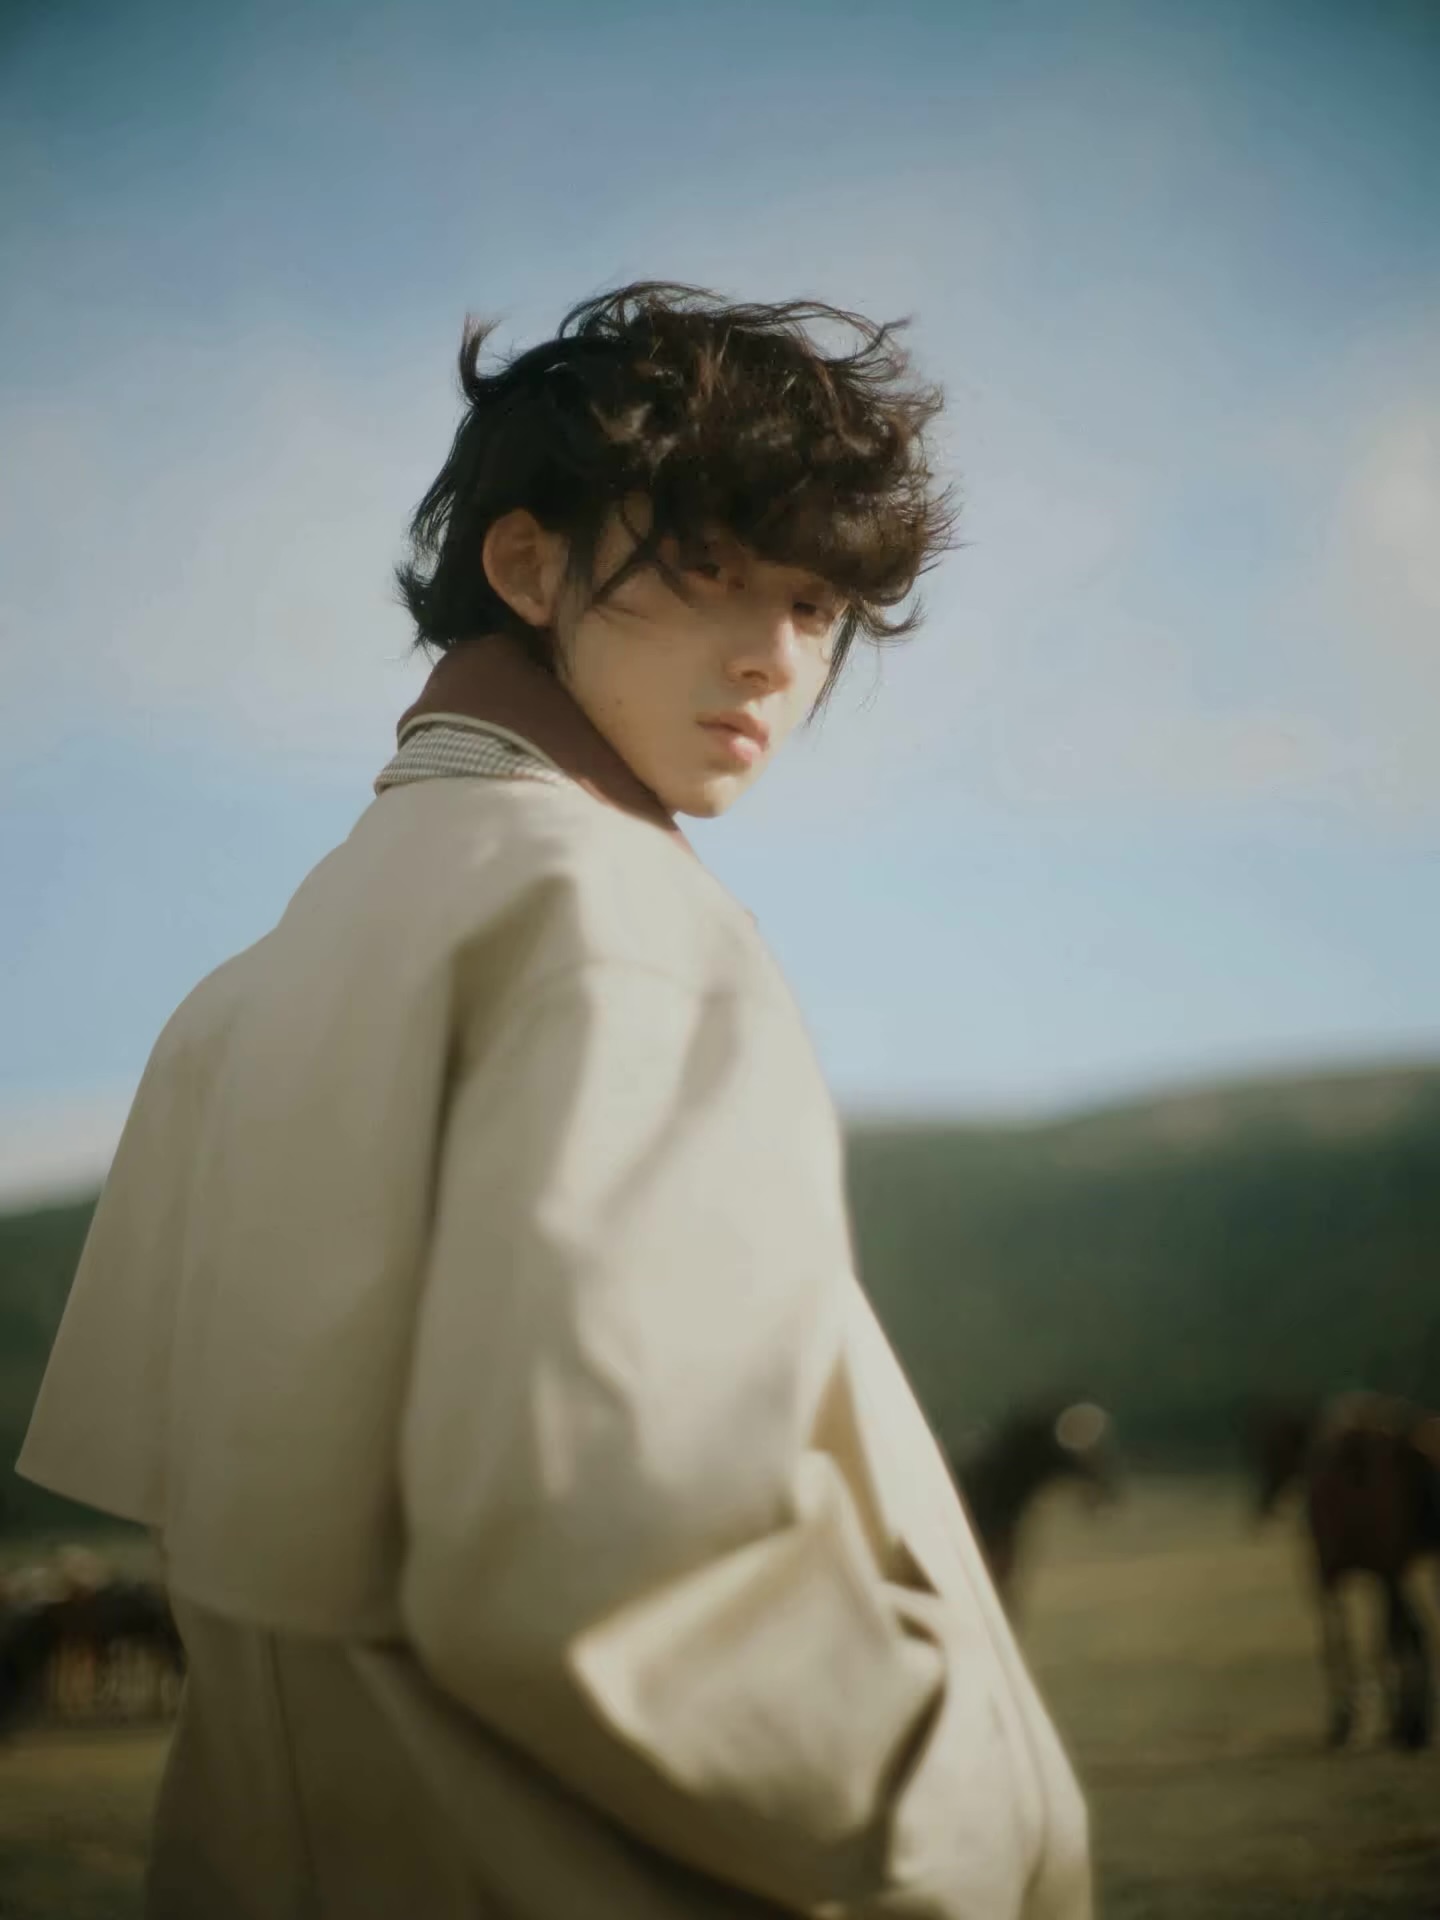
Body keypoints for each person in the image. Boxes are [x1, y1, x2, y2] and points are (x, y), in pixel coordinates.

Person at [18, 284, 1090, 1919]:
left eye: (817, 604)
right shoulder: (613, 922)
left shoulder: (234, 1002)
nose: (777, 656)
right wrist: (969, 1821)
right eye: (709, 567)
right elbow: (606, 1576)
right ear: (525, 567)